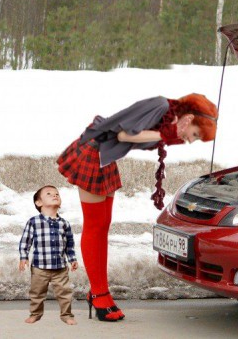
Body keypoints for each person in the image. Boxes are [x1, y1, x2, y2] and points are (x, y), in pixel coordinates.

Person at [57, 94, 218, 322]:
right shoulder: (160, 106)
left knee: (103, 227)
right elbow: (125, 134)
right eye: (195, 135)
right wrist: (164, 135)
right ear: (188, 118)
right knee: (95, 227)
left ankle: (98, 291)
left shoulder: (169, 120)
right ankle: (99, 294)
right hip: (93, 151)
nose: (190, 140)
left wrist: (166, 135)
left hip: (106, 157)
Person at [19, 185, 79, 325]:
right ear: (38, 203)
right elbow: (25, 241)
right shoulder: (34, 222)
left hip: (60, 267)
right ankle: (35, 314)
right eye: (49, 193)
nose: (55, 195)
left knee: (65, 293)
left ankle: (66, 315)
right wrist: (23, 257)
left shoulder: (64, 223)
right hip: (40, 267)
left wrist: (72, 259)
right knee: (37, 293)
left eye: (57, 194)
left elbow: (69, 244)